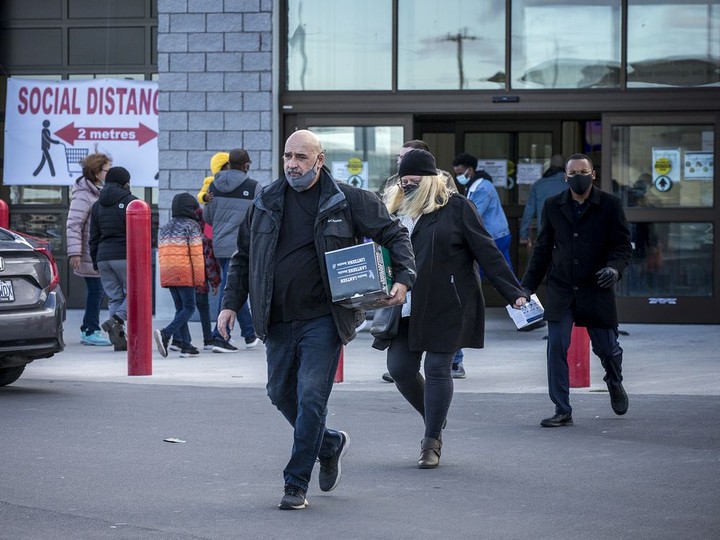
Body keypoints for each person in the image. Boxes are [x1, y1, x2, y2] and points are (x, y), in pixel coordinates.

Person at [217, 129, 415, 510]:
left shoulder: (348, 200)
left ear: (319, 160)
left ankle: (295, 483)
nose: (292, 164)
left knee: (311, 397)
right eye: (288, 156)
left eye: (301, 158)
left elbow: (394, 234)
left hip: (324, 318)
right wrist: (229, 304)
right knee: (279, 392)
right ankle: (328, 443)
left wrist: (404, 279)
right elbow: (243, 257)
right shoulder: (265, 201)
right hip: (276, 318)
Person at [380, 149, 528, 469]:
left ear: (431, 180)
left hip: (447, 302)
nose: (408, 186)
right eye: (403, 181)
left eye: (414, 181)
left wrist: (514, 293)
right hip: (405, 304)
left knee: (436, 368)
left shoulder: (457, 208)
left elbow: (488, 253)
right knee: (400, 368)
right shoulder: (394, 211)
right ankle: (435, 414)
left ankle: (431, 439)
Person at [521, 153, 633, 427]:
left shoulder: (610, 205)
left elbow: (622, 246)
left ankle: (614, 380)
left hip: (596, 288)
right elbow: (542, 250)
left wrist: (614, 269)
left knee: (607, 349)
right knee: (557, 346)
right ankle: (562, 408)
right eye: (573, 173)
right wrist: (525, 288)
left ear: (593, 174)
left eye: (584, 172)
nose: (579, 177)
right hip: (561, 288)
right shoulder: (553, 205)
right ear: (566, 177)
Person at [381, 139, 458, 383]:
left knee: (437, 368)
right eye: (399, 158)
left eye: (406, 157)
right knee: (400, 368)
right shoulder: (394, 193)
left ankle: (456, 361)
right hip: (404, 293)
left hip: (438, 291)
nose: (401, 162)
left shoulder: (444, 187)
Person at [203, 149, 260, 353]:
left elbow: (207, 216)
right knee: (231, 287)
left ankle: (249, 333)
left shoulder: (213, 186)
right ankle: (220, 336)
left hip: (220, 245)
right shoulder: (253, 187)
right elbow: (259, 219)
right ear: (246, 165)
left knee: (234, 285)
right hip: (242, 247)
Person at [66, 152, 113, 346]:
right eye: (106, 170)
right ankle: (90, 329)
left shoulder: (97, 191)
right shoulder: (84, 195)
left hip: (95, 251)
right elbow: (74, 224)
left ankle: (89, 328)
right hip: (86, 252)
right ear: (96, 171)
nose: (108, 173)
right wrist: (75, 252)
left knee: (98, 291)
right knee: (96, 291)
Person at [89, 166, 138, 352]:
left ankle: (118, 339)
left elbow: (93, 237)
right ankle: (116, 320)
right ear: (125, 182)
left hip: (103, 257)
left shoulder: (97, 205)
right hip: (125, 256)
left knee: (115, 297)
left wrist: (95, 261)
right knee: (135, 293)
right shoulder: (132, 202)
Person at [154, 193, 206, 358]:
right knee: (189, 308)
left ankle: (186, 345)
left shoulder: (166, 227)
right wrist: (199, 279)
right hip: (184, 272)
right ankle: (166, 333)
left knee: (180, 308)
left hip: (168, 272)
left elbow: (161, 253)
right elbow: (197, 255)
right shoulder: (192, 226)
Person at [452, 152, 513, 269]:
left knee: (482, 270)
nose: (458, 177)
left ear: (469, 170)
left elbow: (474, 213)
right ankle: (516, 287)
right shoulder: (475, 185)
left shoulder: (482, 188)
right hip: (498, 234)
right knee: (505, 272)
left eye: (459, 173)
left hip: (494, 236)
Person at [519, 154, 568, 247]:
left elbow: (529, 212)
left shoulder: (539, 185)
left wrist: (523, 235)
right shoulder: (572, 184)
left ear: (550, 166)